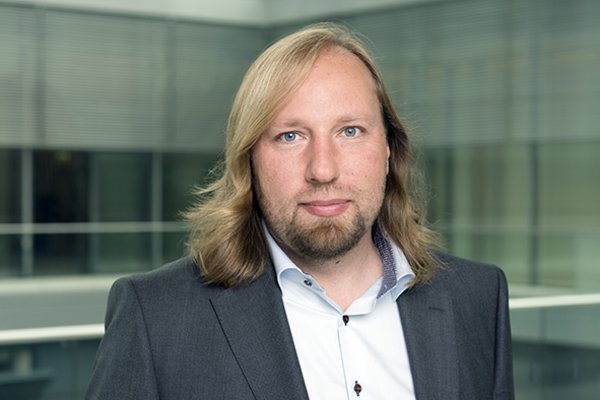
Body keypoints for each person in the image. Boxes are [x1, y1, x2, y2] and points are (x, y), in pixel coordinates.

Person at [86, 23, 514, 400]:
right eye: (290, 136)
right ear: (249, 159)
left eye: (350, 131)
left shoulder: (477, 297)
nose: (322, 170)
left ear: (388, 148)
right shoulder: (155, 316)